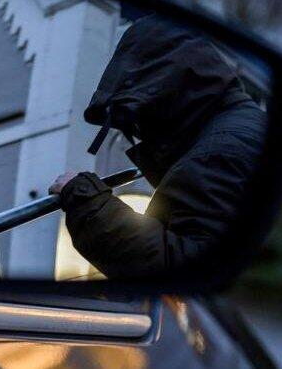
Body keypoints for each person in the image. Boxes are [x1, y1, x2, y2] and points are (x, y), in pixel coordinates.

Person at [48, 14, 267, 279]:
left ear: (161, 96)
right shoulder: (236, 126)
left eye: (140, 117)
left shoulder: (217, 153)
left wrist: (83, 198)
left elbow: (181, 269)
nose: (141, 132)